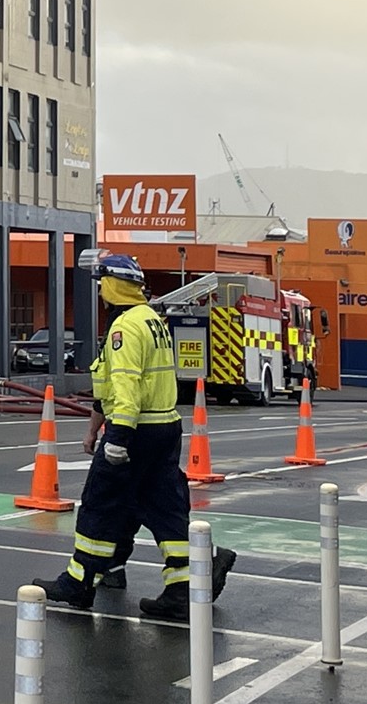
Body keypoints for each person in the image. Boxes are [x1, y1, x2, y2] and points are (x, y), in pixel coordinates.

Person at [33, 252, 235, 622]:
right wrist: (95, 424)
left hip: (136, 430)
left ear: (112, 286)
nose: (100, 293)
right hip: (165, 428)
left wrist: (117, 438)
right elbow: (113, 383)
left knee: (100, 502)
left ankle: (78, 583)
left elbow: (126, 387)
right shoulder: (152, 321)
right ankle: (185, 585)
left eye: (101, 285)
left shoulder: (124, 328)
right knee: (162, 506)